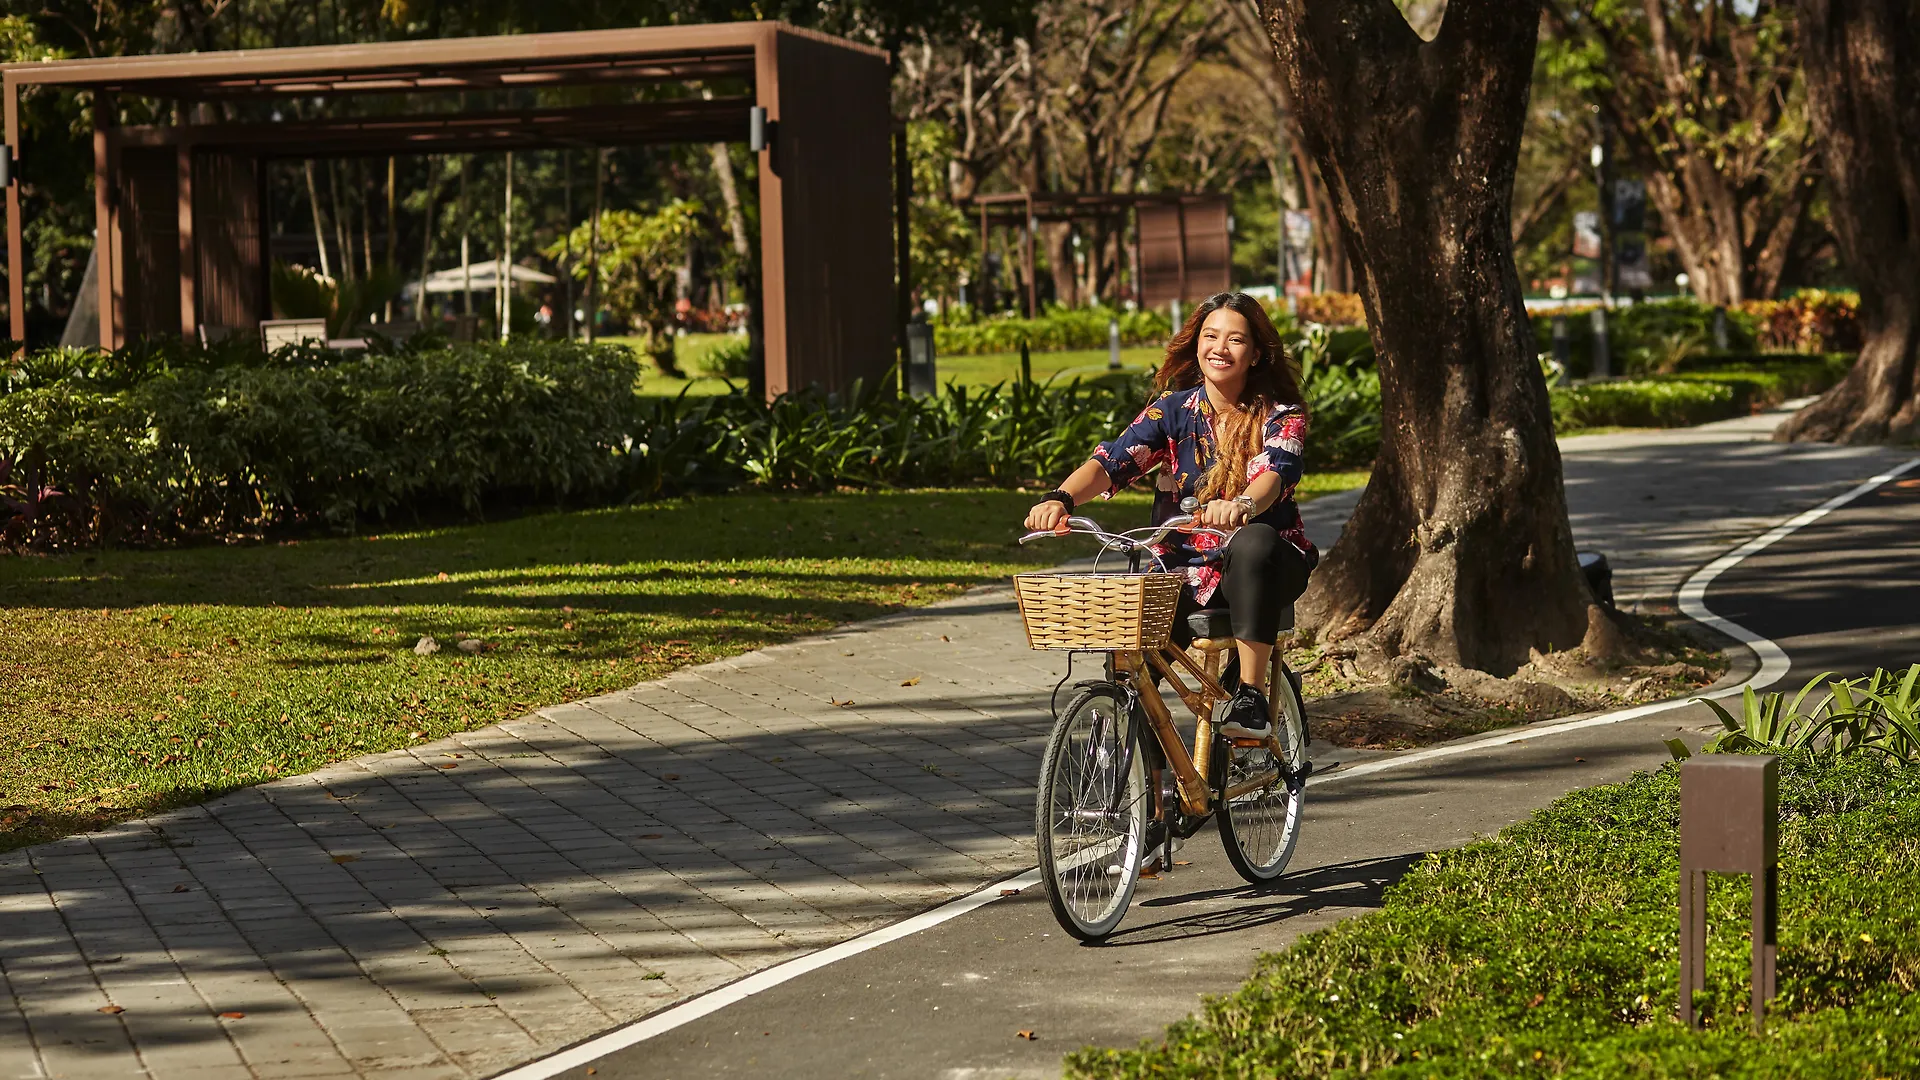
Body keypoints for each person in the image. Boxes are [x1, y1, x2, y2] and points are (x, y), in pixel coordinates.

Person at [1022, 292, 1316, 739]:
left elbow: (1274, 472)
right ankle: (1154, 789)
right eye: (1210, 335)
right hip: (1182, 571)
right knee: (1131, 666)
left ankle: (1252, 698)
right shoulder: (1172, 409)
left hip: (1264, 566)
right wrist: (1060, 499)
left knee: (1253, 541)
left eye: (1235, 339)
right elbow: (1112, 461)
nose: (1220, 347)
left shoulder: (1281, 417)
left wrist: (1243, 507)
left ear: (1256, 354)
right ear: (1195, 344)